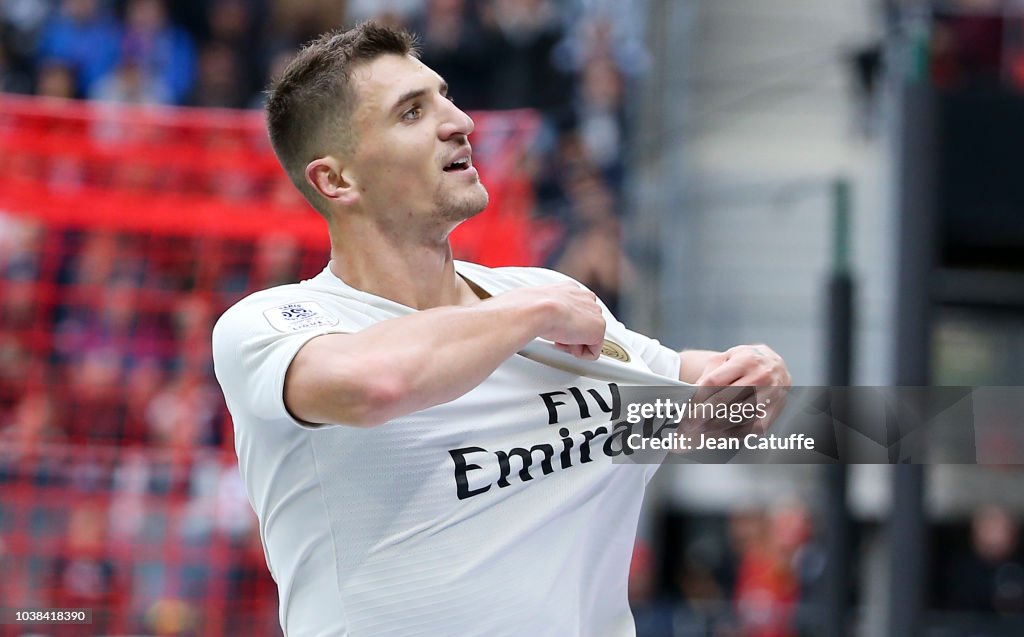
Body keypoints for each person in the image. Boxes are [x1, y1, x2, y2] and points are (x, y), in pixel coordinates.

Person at [211, 21, 790, 636]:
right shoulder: (270, 325)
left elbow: (703, 405)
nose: (459, 121)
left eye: (444, 96)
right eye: (411, 113)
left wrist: (756, 379)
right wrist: (531, 314)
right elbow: (373, 384)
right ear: (337, 180)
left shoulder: (541, 294)